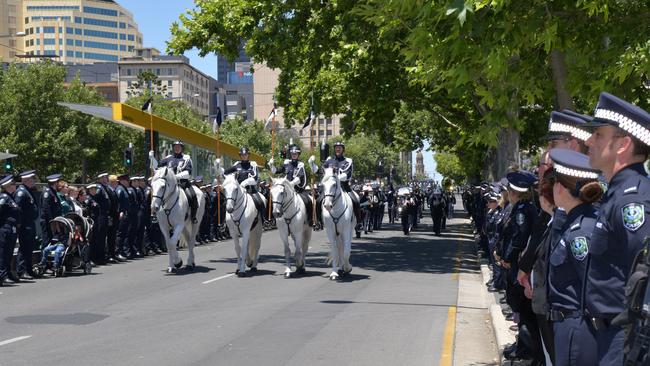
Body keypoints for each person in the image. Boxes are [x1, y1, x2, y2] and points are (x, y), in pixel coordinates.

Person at [581, 92, 650, 365]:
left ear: (622, 144)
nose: (589, 140)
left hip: (625, 341)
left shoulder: (632, 201)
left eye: (598, 135)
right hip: (608, 336)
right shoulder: (616, 195)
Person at [545, 148, 603, 365]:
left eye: (554, 183)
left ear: (560, 187)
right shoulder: (572, 222)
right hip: (569, 325)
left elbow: (591, 285)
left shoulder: (581, 232)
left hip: (578, 329)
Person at [309, 141, 362, 230]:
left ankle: (359, 223)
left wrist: (336, 178)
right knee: (318, 201)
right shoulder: (329, 160)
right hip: (330, 188)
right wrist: (311, 163)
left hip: (344, 187)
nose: (337, 149)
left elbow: (347, 175)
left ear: (343, 149)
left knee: (355, 200)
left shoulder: (347, 161)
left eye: (339, 147)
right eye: (336, 147)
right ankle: (319, 222)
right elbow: (319, 171)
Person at [268, 144, 314, 226]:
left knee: (308, 201)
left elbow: (299, 178)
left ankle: (310, 220)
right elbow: (276, 171)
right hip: (287, 191)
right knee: (276, 199)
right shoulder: (286, 163)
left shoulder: (300, 165)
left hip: (298, 190)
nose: (294, 155)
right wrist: (271, 165)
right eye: (292, 154)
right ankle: (273, 218)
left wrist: (291, 183)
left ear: (298, 155)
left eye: (295, 154)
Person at [154, 141, 198, 223]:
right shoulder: (168, 158)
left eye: (179, 147)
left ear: (182, 148)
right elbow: (157, 167)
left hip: (182, 183)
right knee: (157, 195)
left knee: (193, 195)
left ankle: (193, 216)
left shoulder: (186, 158)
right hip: (169, 184)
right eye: (175, 147)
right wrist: (152, 158)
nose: (177, 148)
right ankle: (154, 214)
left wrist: (176, 176)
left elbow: (188, 172)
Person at [221, 147, 267, 220]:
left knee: (261, 201)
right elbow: (225, 173)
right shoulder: (237, 164)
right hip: (237, 191)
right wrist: (218, 166)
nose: (244, 156)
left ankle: (263, 219)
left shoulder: (253, 164)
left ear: (248, 155)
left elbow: (255, 177)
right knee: (225, 203)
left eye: (245, 154)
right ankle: (224, 223)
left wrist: (244, 183)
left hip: (250, 190)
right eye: (242, 155)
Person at [14, 170, 40, 279]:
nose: (34, 181)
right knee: (24, 248)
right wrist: (20, 223)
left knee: (29, 248)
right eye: (33, 179)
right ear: (27, 180)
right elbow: (18, 209)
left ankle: (28, 270)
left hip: (30, 223)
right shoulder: (21, 192)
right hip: (25, 224)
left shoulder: (27, 191)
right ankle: (21, 270)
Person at [0, 175, 20, 286]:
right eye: (13, 184)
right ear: (7, 186)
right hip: (4, 229)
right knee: (3, 253)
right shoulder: (4, 197)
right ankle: (2, 276)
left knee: (8, 253)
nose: (15, 185)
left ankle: (5, 274)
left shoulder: (10, 197)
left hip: (11, 229)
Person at [40, 174, 63, 249]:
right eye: (59, 182)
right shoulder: (48, 192)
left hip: (53, 222)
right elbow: (46, 209)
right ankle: (44, 260)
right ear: (55, 183)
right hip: (48, 223)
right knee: (47, 242)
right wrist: (52, 223)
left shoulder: (53, 192)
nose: (60, 184)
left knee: (52, 243)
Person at [115, 174, 132, 260]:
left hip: (126, 214)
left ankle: (122, 251)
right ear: (121, 181)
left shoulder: (124, 189)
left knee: (124, 233)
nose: (128, 182)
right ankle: (118, 252)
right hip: (122, 214)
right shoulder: (120, 189)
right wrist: (120, 211)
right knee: (120, 234)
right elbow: (117, 202)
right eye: (126, 180)